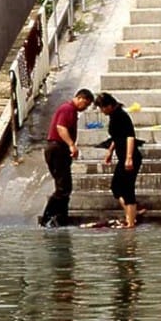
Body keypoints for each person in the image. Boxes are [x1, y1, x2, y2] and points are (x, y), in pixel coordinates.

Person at [40, 88, 94, 227]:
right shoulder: (68, 109)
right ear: (81, 98)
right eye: (86, 104)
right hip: (58, 148)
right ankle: (48, 217)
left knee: (65, 186)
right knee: (63, 187)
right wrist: (71, 144)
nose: (85, 108)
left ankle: (60, 217)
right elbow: (61, 128)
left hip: (59, 149)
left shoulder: (70, 110)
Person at [95, 92, 143, 228]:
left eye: (102, 108)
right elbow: (117, 137)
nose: (102, 111)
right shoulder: (113, 116)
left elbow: (129, 137)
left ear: (109, 105)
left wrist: (129, 158)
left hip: (130, 156)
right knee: (116, 187)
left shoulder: (121, 116)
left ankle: (131, 221)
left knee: (127, 189)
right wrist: (110, 151)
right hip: (122, 156)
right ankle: (131, 213)